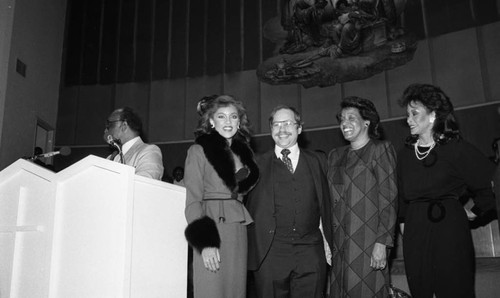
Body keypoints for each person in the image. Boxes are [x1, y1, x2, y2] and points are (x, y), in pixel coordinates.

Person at [397, 83, 496, 298]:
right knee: (420, 286)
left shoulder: (456, 148)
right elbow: (401, 197)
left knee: (454, 286)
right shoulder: (404, 154)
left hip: (450, 229)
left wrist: (476, 212)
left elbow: (490, 183)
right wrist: (405, 225)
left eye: (415, 113)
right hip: (416, 230)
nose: (408, 120)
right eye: (407, 114)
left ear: (433, 115)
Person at [246, 105, 333, 298]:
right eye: (276, 124)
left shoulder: (319, 161)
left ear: (300, 128)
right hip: (270, 253)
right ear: (271, 130)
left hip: (310, 251)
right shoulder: (255, 165)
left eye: (288, 123)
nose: (282, 129)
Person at [183, 95, 259, 298]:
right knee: (211, 289)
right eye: (221, 116)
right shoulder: (198, 151)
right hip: (211, 228)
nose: (228, 122)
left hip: (237, 228)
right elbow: (192, 200)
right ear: (211, 121)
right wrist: (206, 242)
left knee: (235, 290)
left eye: (233, 117)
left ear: (239, 121)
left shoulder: (244, 154)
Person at [327, 96, 397, 297]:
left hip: (368, 242)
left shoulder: (380, 150)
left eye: (351, 118)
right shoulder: (334, 155)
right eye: (342, 119)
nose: (344, 123)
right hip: (339, 242)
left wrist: (382, 243)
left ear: (367, 122)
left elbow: (389, 198)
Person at [103, 107, 164, 180]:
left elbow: (143, 184)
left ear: (124, 126)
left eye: (109, 125)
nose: (106, 130)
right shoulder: (111, 158)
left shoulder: (150, 152)